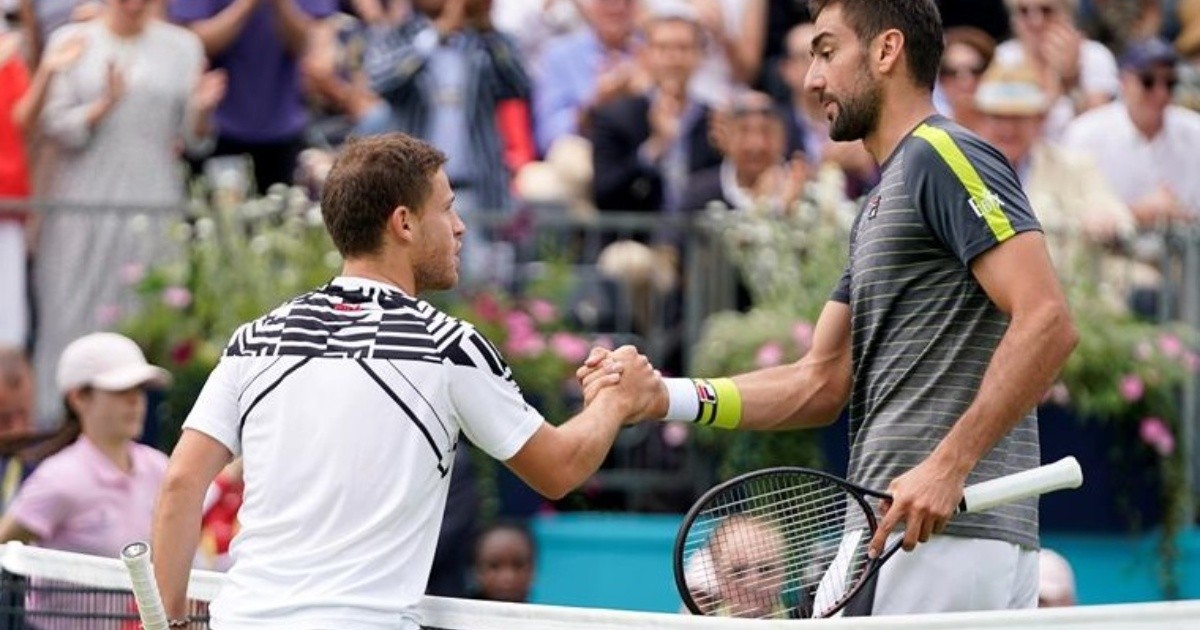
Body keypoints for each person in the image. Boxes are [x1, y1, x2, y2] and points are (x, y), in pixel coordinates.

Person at [581, 0, 1077, 616]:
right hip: (899, 528)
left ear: (886, 51)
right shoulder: (878, 202)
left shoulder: (943, 155)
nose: (812, 79)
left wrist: (948, 466)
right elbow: (818, 380)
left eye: (825, 51)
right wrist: (664, 397)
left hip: (942, 536)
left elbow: (1048, 320)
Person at [150, 133, 661, 630]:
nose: (460, 227)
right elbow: (559, 468)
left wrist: (169, 621)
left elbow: (181, 482)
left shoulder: (256, 339)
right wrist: (615, 400)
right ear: (404, 224)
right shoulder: (447, 346)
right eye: (447, 208)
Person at [0, 332, 170, 554]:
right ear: (78, 398)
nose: (135, 401)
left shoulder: (160, 468)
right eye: (120, 389)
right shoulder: (59, 478)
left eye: (139, 389)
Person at [469, 520, 536, 603]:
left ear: (533, 569)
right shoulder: (456, 614)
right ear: (476, 570)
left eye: (518, 565)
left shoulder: (545, 615)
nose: (507, 577)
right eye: (494, 566)